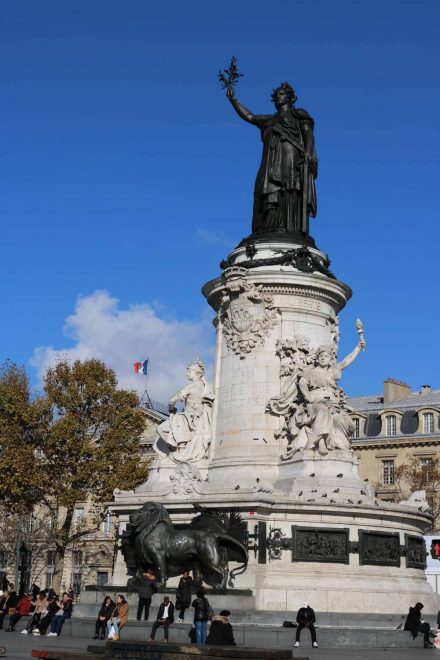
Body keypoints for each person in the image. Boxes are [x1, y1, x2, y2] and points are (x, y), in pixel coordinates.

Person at [226, 82, 318, 236]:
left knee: (290, 189)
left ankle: (290, 228)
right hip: (270, 162)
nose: (277, 97)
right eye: (275, 95)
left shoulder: (298, 114)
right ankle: (269, 227)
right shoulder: (268, 119)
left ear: (290, 97)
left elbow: (308, 134)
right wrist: (234, 101)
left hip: (291, 159)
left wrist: (309, 152)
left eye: (281, 94)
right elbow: (250, 116)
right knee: (265, 189)